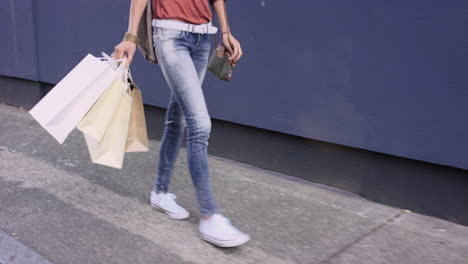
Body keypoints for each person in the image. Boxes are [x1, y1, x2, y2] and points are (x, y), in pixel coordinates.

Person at [111, 0, 249, 247]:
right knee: (200, 124)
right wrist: (131, 36)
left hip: (204, 37)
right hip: (171, 36)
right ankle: (209, 216)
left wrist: (226, 32)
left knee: (179, 118)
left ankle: (160, 192)